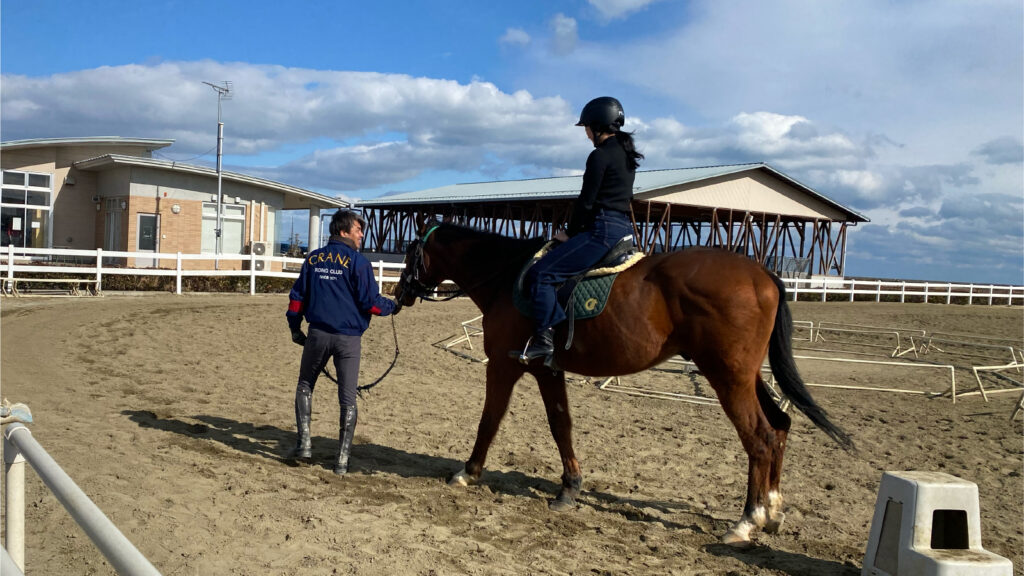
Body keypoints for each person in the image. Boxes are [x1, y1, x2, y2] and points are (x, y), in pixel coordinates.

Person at [518, 96, 644, 366]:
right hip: (622, 227)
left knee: (542, 274)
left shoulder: (599, 156)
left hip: (601, 229)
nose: (586, 133)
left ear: (596, 126)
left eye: (586, 127)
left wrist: (570, 234)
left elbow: (586, 202)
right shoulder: (625, 155)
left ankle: (545, 340)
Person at [285, 210, 397, 474]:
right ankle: (342, 460)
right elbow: (371, 303)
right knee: (347, 398)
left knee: (305, 385)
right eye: (358, 229)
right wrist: (392, 307)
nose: (361, 234)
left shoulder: (314, 259)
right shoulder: (359, 263)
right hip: (348, 339)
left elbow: (297, 298)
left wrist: (294, 327)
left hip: (317, 334)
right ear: (344, 231)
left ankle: (304, 444)